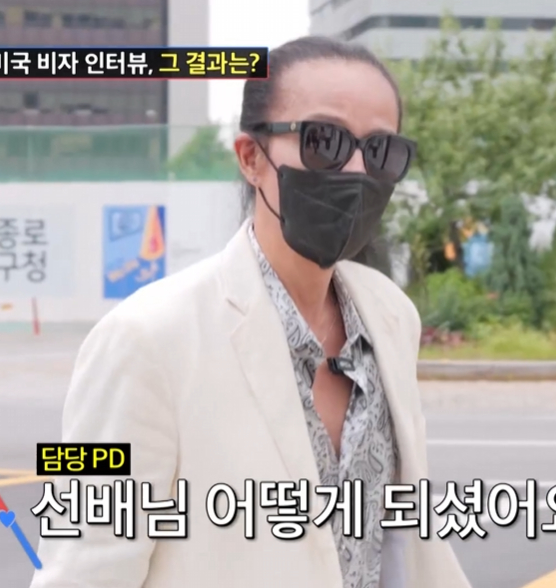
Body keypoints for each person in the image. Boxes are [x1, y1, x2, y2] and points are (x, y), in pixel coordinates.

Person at [30, 36, 472, 588]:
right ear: (251, 158)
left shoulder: (390, 316)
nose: (357, 170)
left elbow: (406, 537)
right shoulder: (141, 339)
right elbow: (83, 570)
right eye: (325, 140)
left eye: (381, 150)